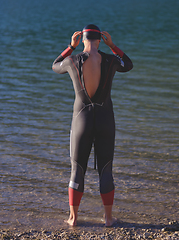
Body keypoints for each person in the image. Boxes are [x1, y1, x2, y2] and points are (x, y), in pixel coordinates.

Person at [52, 24, 133, 227]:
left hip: (82, 120)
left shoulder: (72, 60)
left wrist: (71, 47)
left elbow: (55, 65)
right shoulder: (111, 59)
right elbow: (129, 64)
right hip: (106, 119)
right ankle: (108, 218)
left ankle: (73, 218)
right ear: (100, 39)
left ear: (83, 39)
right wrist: (113, 45)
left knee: (77, 169)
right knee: (106, 169)